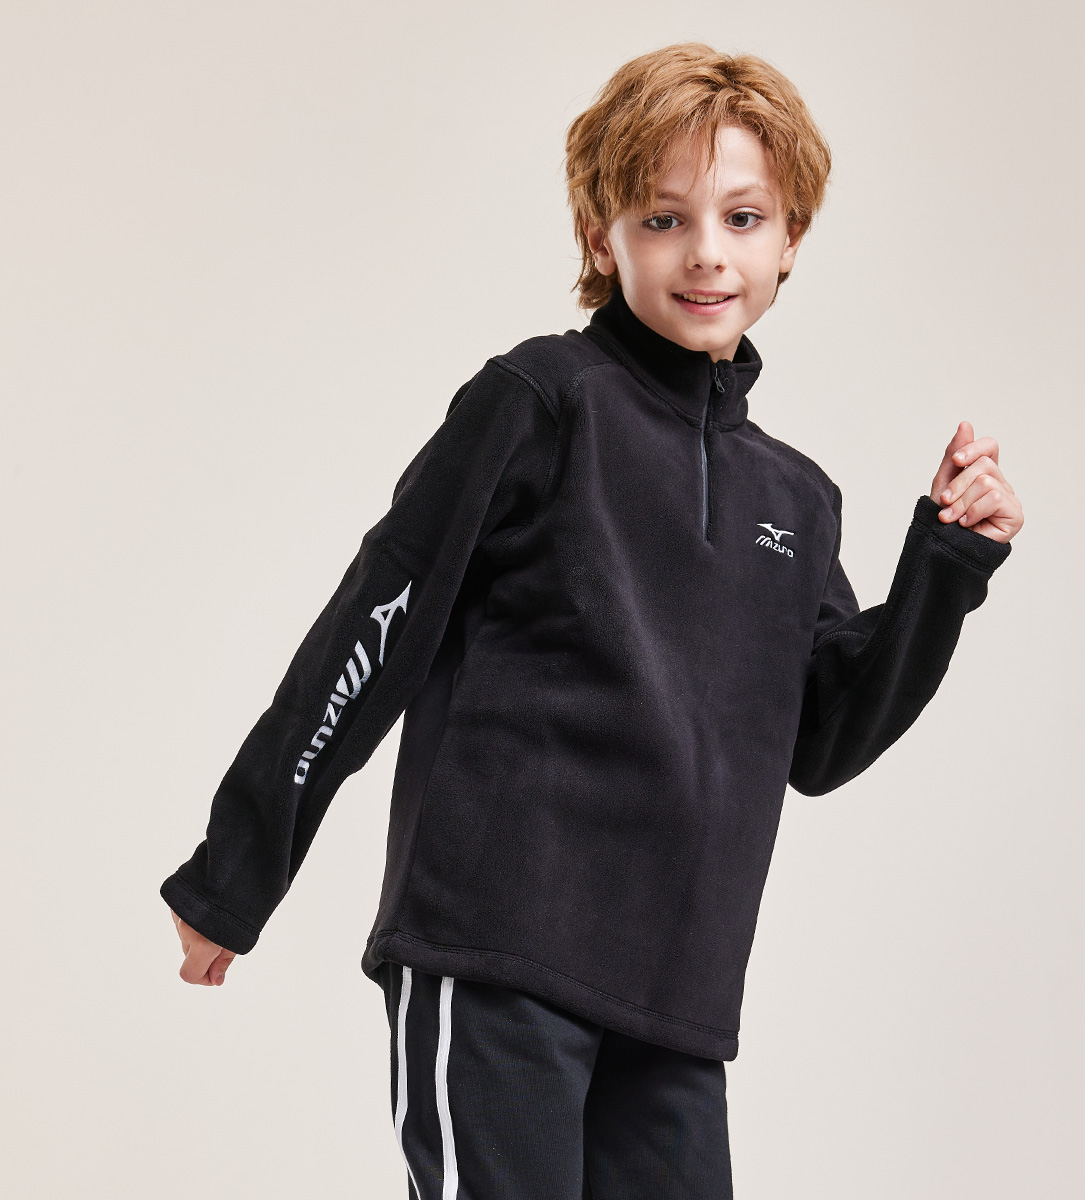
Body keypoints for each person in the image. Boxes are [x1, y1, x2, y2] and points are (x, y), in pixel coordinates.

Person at [163, 42, 1023, 1199]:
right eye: (663, 218)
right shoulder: (539, 403)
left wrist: (947, 566)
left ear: (790, 240)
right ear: (600, 236)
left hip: (675, 1004)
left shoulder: (795, 497)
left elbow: (820, 739)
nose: (706, 252)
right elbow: (378, 625)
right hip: (494, 953)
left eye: (743, 218)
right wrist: (237, 873)